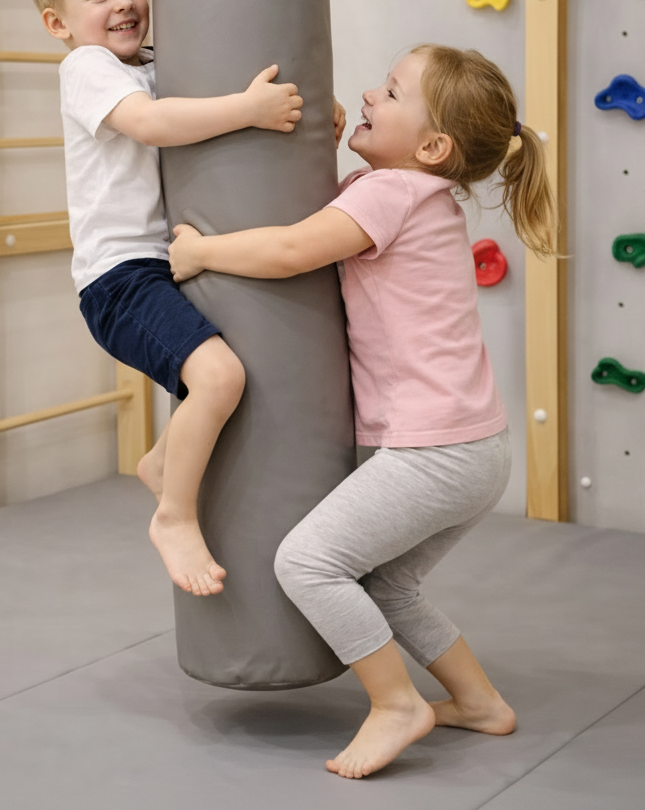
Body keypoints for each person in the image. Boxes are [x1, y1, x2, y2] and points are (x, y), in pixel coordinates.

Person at [168, 44, 557, 779]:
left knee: (308, 562)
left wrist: (203, 253)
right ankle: (477, 702)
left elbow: (290, 250)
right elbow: (331, 210)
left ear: (432, 145)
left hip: (432, 454)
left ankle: (396, 705)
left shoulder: (388, 196)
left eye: (391, 91)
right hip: (476, 449)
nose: (371, 96)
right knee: (390, 584)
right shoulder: (414, 194)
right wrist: (324, 144)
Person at [26, 0, 305, 598]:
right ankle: (173, 516)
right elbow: (151, 124)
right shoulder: (86, 69)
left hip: (166, 263)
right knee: (218, 378)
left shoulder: (148, 63)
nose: (124, 3)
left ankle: (160, 462)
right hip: (119, 279)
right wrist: (246, 108)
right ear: (57, 23)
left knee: (229, 377)